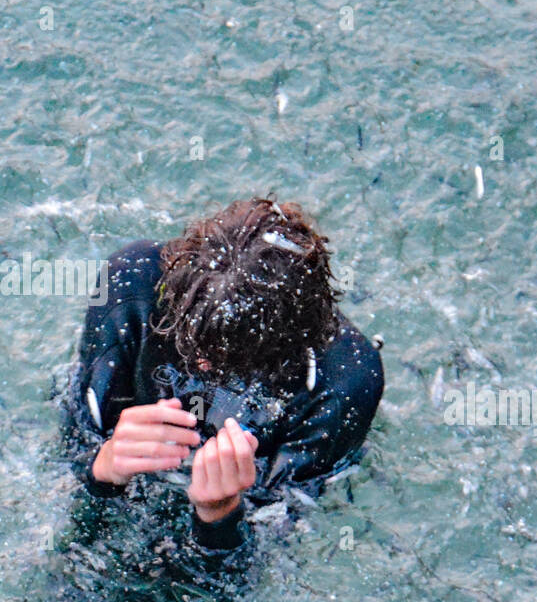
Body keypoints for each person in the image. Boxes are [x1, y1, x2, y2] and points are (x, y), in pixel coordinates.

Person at [60, 197, 384, 555]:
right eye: (188, 339)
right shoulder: (133, 286)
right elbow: (71, 448)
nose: (201, 365)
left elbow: (271, 555)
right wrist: (103, 467)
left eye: (229, 361)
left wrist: (220, 514)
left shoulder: (343, 381)